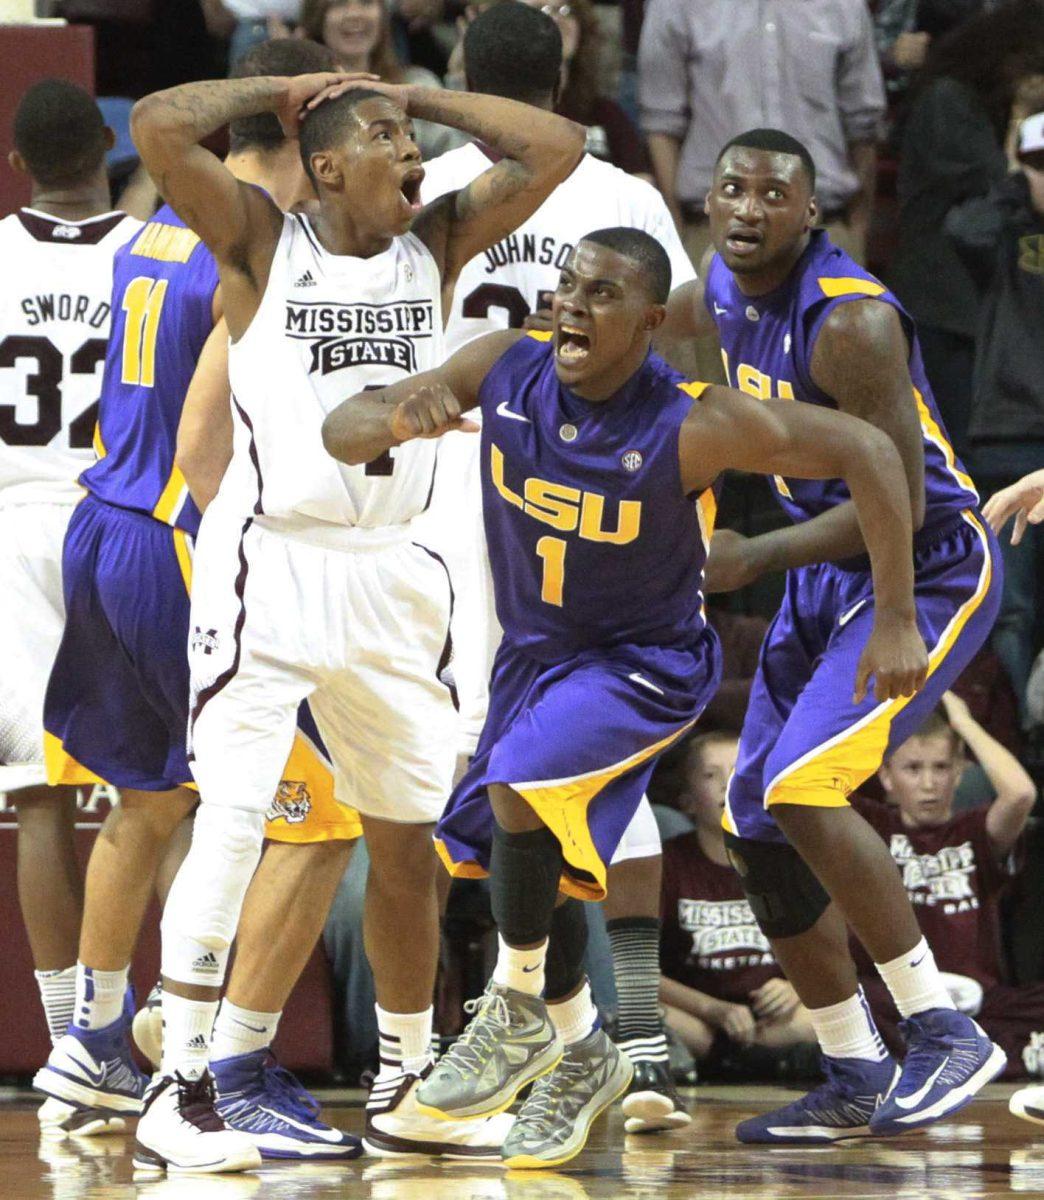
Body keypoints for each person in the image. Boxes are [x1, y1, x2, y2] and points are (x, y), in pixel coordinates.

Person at [322, 225, 929, 1167]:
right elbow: (342, 427)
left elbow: (873, 453)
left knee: (519, 787)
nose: (573, 302)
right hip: (534, 658)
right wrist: (402, 413)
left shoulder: (697, 420)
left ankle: (514, 1010)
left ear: (650, 322)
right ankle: (585, 1050)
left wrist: (894, 613)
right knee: (510, 856)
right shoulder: (502, 363)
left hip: (643, 664)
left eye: (602, 294)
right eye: (568, 285)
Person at [127, 1, 585, 1172]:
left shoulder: (435, 245)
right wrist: (278, 97)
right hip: (271, 561)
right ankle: (181, 1085)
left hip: (396, 572)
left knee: (410, 832)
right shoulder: (261, 243)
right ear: (325, 163)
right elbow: (156, 123)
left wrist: (416, 98)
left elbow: (557, 147)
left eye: (412, 144)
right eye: (384, 142)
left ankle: (405, 1078)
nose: (413, 158)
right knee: (231, 821)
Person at [32, 39, 365, 1168]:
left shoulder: (150, 218)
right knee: (318, 819)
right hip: (179, 541)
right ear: (316, 135)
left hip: (101, 526)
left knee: (148, 798)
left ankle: (89, 1037)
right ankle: (224, 1068)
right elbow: (208, 451)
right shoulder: (260, 246)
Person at [660, 126, 1006, 1143]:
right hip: (826, 571)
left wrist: (890, 613)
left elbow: (892, 491)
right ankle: (854, 1067)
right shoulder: (695, 306)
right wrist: (699, 548)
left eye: (776, 194)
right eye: (734, 188)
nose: (750, 208)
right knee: (756, 820)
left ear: (812, 213)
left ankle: (940, 1026)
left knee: (804, 785)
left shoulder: (851, 325)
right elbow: (694, 454)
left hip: (926, 564)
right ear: (707, 198)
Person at [416, 5, 697, 1133]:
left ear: (466, 71)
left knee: (492, 758)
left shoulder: (430, 181)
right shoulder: (621, 193)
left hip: (459, 493)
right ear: (568, 62)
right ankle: (615, 1032)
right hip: (597, 500)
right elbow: (685, 352)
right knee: (571, 768)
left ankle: (488, 1021)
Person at [0, 79, 141, 1139]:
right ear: (110, 146)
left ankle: (67, 1043)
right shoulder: (157, 251)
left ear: (16, 164)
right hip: (127, 519)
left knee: (37, 799)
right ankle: (135, 1031)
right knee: (158, 790)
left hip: (13, 526)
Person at [886, 0, 1044, 455]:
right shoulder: (948, 103)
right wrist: (1021, 114)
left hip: (989, 310)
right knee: (956, 455)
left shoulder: (986, 110)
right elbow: (1009, 185)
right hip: (945, 311)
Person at [854, 698, 1041, 1082]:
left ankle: (965, 1054)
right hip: (897, 1000)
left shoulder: (974, 831)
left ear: (959, 773)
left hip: (980, 1000)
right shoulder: (871, 824)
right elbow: (817, 788)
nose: (928, 783)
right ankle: (991, 1055)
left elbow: (1020, 795)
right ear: (887, 777)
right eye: (912, 768)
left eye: (941, 768)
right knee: (857, 1002)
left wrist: (963, 721)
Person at [638, 0, 884, 262]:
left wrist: (857, 231)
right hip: (712, 234)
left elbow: (864, 125)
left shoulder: (844, 6)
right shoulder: (677, 5)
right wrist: (676, 234)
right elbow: (661, 121)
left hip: (824, 232)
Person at [945, 109, 1044, 722]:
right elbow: (963, 228)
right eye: (1041, 165)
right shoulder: (1006, 230)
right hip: (1009, 436)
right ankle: (1012, 739)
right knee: (1010, 604)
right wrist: (1014, 181)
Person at [660, 734, 818, 1072]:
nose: (726, 785)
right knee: (649, 1015)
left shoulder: (789, 858)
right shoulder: (668, 863)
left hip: (777, 1018)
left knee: (832, 1012)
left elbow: (829, 946)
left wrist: (799, 986)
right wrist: (713, 1009)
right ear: (687, 800)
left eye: (738, 772)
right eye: (711, 775)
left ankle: (732, 1060)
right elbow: (640, 971)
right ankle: (757, 1060)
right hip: (700, 1016)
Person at [298, 0, 466, 159]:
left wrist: (460, 77)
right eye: (339, 3)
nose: (354, 14)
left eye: (366, 2)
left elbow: (460, 157)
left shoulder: (417, 83)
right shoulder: (300, 97)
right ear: (317, 17)